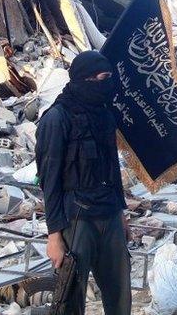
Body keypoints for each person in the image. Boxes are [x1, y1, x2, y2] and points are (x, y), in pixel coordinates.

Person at [35, 50, 131, 315]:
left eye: (108, 78)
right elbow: (49, 181)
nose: (106, 85)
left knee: (120, 294)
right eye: (100, 78)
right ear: (84, 79)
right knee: (70, 297)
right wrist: (54, 235)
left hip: (109, 215)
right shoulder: (57, 118)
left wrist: (120, 213)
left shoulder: (104, 115)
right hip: (76, 219)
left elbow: (112, 167)